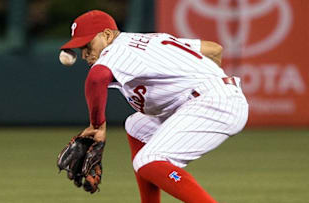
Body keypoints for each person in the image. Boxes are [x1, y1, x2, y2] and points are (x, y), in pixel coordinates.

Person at [60, 10, 249, 203]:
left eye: (87, 45)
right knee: (137, 127)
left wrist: (97, 125)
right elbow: (213, 49)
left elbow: (96, 78)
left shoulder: (116, 50)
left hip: (214, 102)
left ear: (107, 35)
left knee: (149, 160)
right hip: (206, 98)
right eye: (80, 48)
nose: (84, 54)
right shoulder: (148, 40)